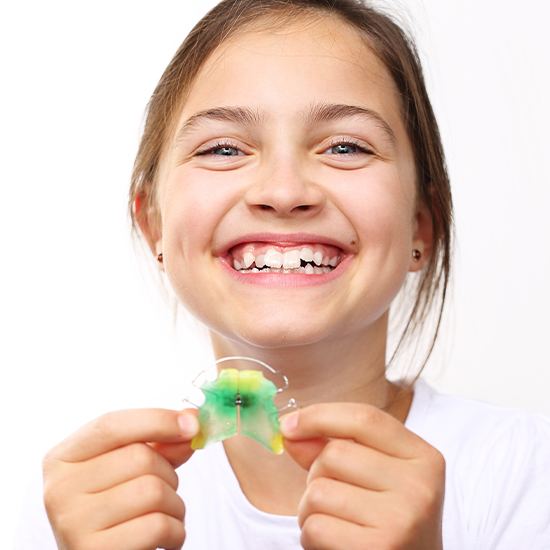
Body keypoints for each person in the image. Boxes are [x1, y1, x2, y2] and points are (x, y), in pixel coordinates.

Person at [16, 0, 550, 548]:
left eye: (346, 146)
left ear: (421, 226)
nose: (283, 192)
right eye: (223, 148)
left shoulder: (528, 477)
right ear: (154, 227)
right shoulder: (68, 511)